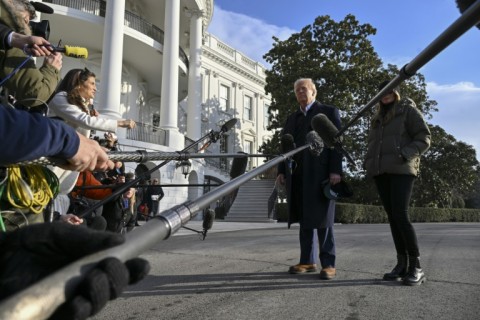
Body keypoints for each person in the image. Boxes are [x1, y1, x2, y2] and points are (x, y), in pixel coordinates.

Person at [364, 81, 431, 286]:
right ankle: (401, 265)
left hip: (402, 169)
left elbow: (424, 138)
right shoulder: (377, 118)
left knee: (401, 215)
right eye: (381, 92)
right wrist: (368, 162)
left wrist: (405, 154)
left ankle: (416, 267)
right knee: (393, 217)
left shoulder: (408, 110)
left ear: (395, 92)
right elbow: (373, 143)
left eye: (388, 91)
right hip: (381, 171)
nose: (384, 95)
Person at [276, 78, 343, 280]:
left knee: (323, 219)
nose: (300, 93)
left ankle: (328, 264)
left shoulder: (329, 112)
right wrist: (281, 170)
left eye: (304, 89)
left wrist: (335, 170)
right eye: (297, 90)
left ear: (314, 92)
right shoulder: (292, 118)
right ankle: (307, 261)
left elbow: (337, 143)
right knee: (304, 219)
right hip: (297, 174)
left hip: (321, 173)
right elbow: (285, 146)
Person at [47, 68, 136, 215]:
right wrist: (120, 123)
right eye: (92, 83)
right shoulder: (60, 97)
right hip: (54, 160)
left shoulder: (82, 106)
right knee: (49, 196)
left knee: (60, 198)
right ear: (79, 83)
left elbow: (83, 135)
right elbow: (86, 121)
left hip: (68, 161)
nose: (95, 88)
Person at [0, 0, 62, 108]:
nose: (27, 26)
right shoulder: (11, 36)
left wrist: (15, 38)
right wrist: (51, 68)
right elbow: (35, 93)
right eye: (26, 20)